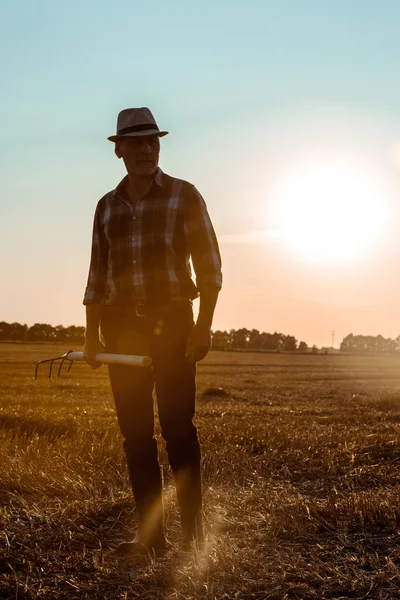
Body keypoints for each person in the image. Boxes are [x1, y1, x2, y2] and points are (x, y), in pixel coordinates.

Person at [83, 107, 222, 554]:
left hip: (174, 324)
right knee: (135, 434)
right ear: (119, 150)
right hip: (121, 328)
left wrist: (203, 327)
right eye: (136, 143)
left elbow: (209, 267)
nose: (146, 150)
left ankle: (194, 535)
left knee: (179, 429)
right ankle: (151, 537)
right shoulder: (106, 206)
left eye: (152, 142)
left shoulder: (184, 195)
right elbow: (96, 277)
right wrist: (91, 336)